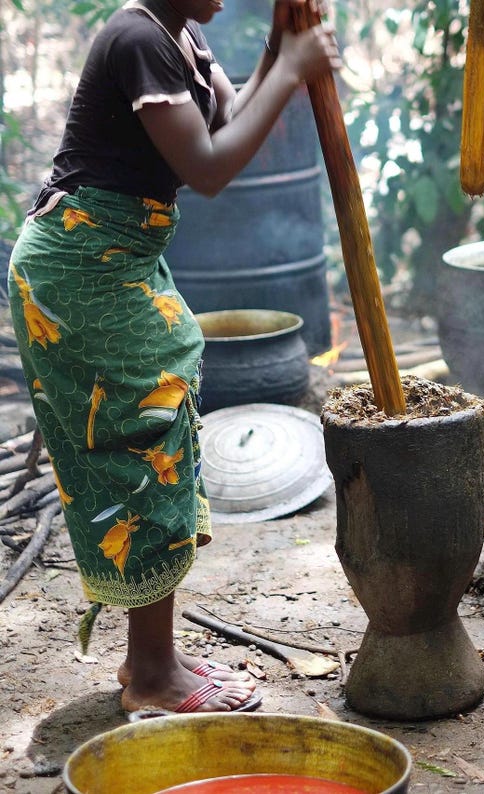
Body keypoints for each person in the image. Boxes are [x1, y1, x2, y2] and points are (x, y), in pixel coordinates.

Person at [6, 0, 340, 714]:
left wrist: (280, 50)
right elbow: (210, 167)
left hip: (119, 257)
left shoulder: (178, 35)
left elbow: (223, 121)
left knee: (157, 431)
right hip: (82, 271)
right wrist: (290, 73)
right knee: (141, 440)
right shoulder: (136, 39)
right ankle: (153, 677)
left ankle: (152, 656)